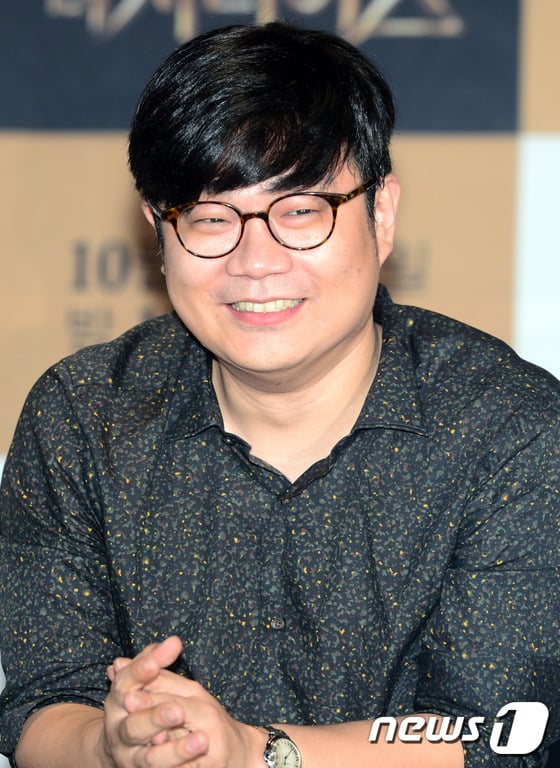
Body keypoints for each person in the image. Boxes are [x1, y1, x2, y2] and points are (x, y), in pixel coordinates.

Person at [0, 20, 559, 768]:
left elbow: (500, 733)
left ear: (381, 214)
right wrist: (114, 746)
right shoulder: (82, 416)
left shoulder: (511, 427)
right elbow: (39, 710)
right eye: (210, 219)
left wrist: (258, 753)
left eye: (300, 212)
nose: (255, 261)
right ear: (157, 232)